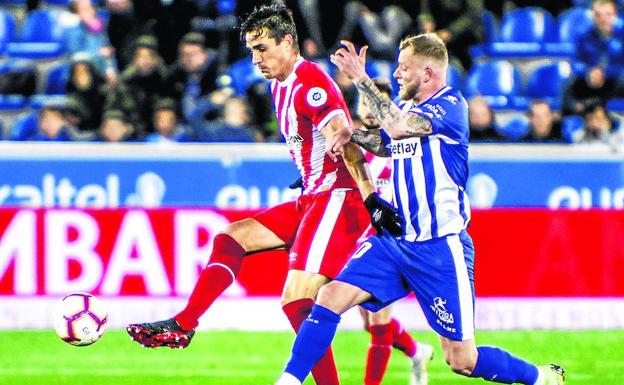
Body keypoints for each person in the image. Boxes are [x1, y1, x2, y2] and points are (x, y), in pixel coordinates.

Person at [126, 6, 405, 385]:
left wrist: (371, 198)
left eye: (262, 48)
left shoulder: (312, 84)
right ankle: (184, 324)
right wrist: (308, 174)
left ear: (288, 42)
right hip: (314, 196)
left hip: (339, 197)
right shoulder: (279, 83)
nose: (256, 59)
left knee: (298, 300)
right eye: (251, 50)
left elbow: (346, 140)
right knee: (231, 237)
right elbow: (317, 144)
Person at [274, 34, 566, 385]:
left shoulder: (450, 104)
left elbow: (398, 129)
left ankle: (540, 377)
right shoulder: (409, 109)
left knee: (462, 360)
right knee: (329, 295)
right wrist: (351, 135)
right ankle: (289, 380)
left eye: (404, 68)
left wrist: (360, 77)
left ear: (427, 73)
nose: (397, 74)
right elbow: (386, 143)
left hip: (439, 247)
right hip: (395, 240)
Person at [354, 76, 434, 385]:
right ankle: (416, 352)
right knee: (369, 321)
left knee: (379, 320)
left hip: (393, 241)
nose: (371, 110)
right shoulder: (355, 145)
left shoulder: (403, 146)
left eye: (379, 104)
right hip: (360, 240)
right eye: (366, 102)